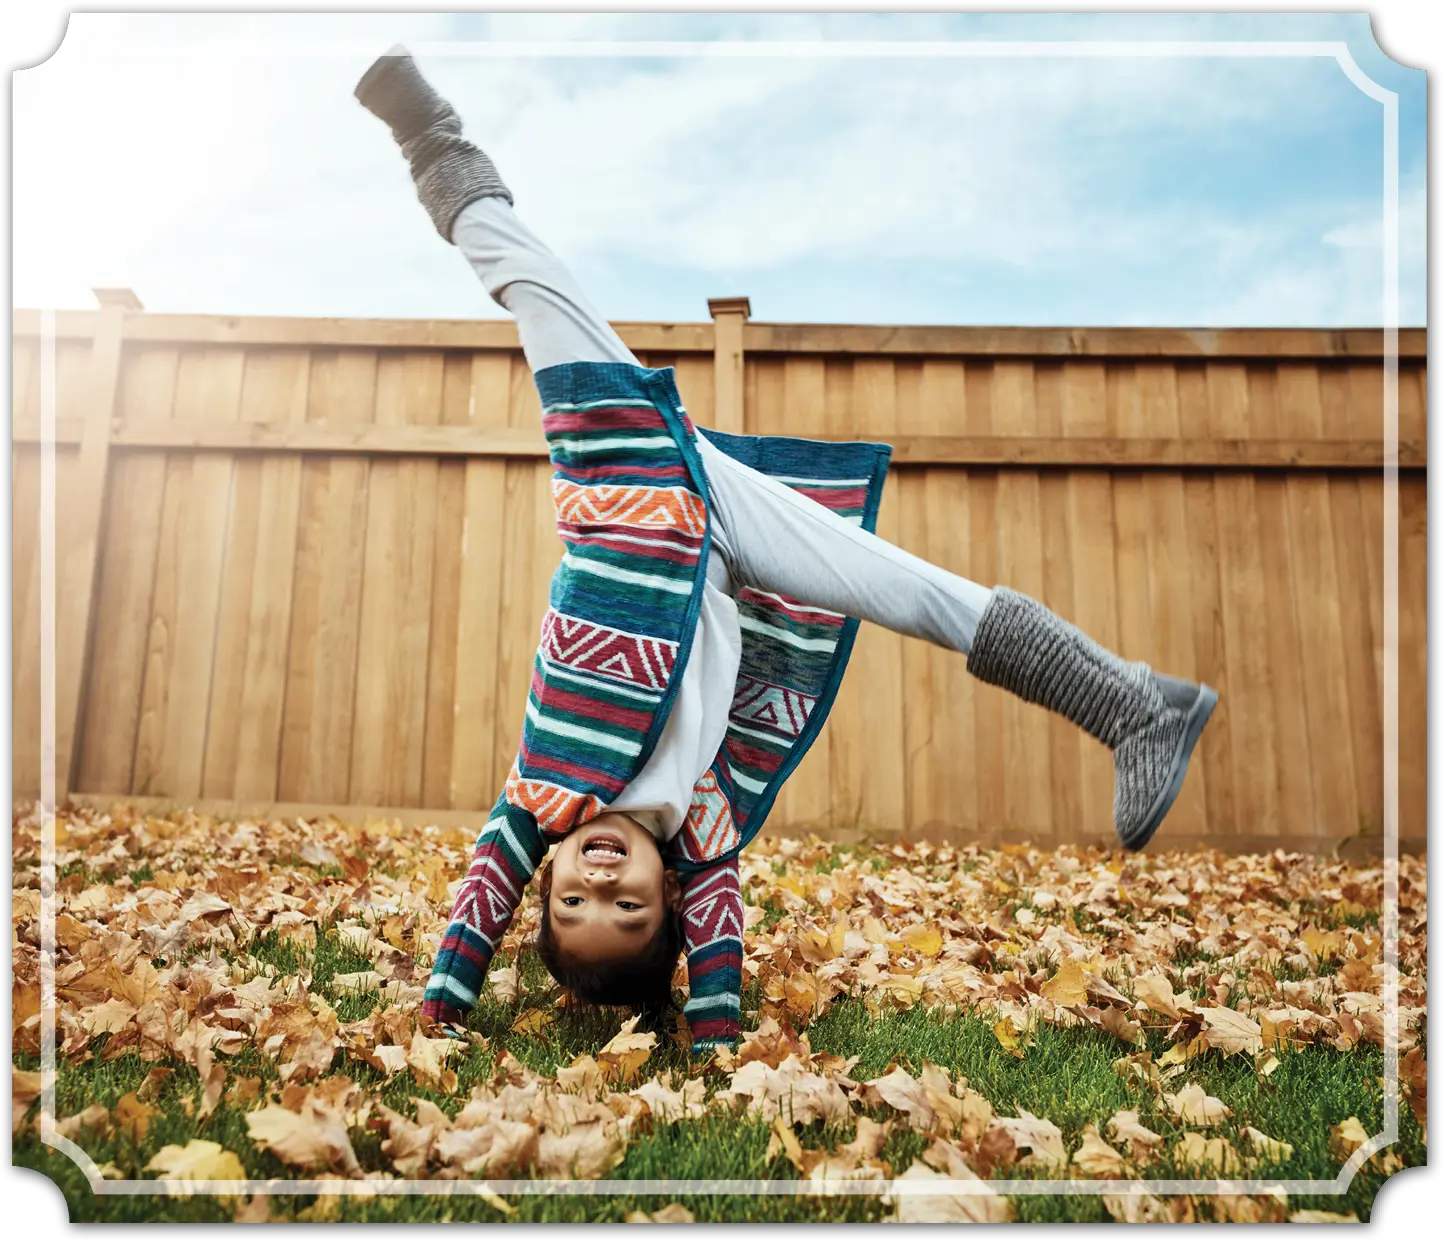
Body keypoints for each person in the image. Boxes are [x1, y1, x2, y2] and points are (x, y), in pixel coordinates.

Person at [353, 46, 1219, 1054]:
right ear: (668, 897)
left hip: (624, 494)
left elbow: (472, 911)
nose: (599, 882)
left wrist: (436, 1015)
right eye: (627, 910)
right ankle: (1135, 703)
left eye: (569, 902)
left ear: (537, 883)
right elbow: (718, 950)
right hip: (724, 536)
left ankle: (430, 139)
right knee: (917, 594)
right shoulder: (705, 829)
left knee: (532, 284)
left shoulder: (536, 794)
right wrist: (718, 1044)